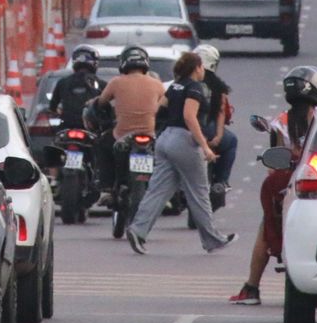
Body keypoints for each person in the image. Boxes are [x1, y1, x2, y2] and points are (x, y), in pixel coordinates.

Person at [229, 65, 317, 304]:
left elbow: (275, 162)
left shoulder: (279, 122)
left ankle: (252, 287)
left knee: (266, 230)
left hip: (286, 187)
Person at [124, 51, 238, 255]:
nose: (203, 70)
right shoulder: (195, 88)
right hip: (185, 141)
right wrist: (204, 146)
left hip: (165, 139)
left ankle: (137, 229)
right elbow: (189, 117)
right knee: (200, 192)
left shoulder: (175, 86)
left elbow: (159, 109)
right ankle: (212, 239)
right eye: (202, 67)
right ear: (196, 68)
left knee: (158, 190)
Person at [94, 45, 166, 195]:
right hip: (150, 135)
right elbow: (165, 106)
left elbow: (101, 103)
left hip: (120, 135)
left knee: (102, 144)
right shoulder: (157, 84)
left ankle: (106, 187)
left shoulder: (116, 82)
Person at [196, 44, 237, 211]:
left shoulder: (183, 82)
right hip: (207, 130)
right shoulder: (218, 87)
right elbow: (221, 112)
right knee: (232, 141)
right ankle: (221, 180)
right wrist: (218, 136)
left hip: (185, 131)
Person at [49, 45, 105, 128]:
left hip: (67, 126)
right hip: (92, 128)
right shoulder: (101, 84)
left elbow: (52, 106)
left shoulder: (63, 82)